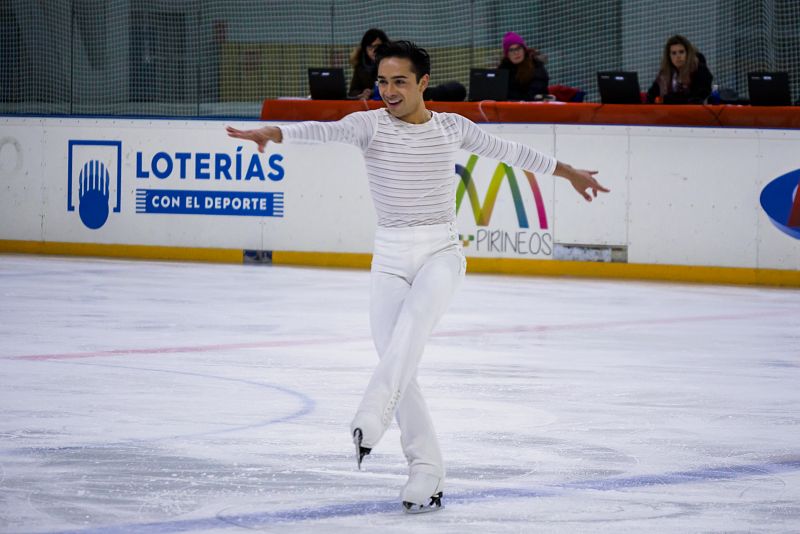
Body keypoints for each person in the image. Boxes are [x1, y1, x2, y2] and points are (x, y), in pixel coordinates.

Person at [226, 40, 608, 513]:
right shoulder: (369, 125)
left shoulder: (452, 128)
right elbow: (320, 132)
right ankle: (426, 469)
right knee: (398, 359)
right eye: (382, 81)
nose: (388, 90)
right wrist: (273, 132)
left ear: (423, 83)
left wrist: (568, 171)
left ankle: (371, 414)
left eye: (399, 81)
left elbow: (511, 151)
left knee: (410, 331)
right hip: (388, 258)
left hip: (441, 254)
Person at [646, 34, 713, 104]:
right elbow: (651, 97)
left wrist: (666, 99)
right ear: (669, 56)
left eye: (681, 52)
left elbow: (696, 98)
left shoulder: (700, 71)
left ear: (688, 53)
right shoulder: (664, 74)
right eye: (674, 53)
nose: (678, 56)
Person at [497, 31, 550, 101]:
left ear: (524, 50)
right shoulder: (503, 70)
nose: (516, 53)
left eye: (518, 48)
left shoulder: (536, 66)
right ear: (507, 55)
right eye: (511, 50)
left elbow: (534, 94)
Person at [349, 28, 388, 100]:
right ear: (365, 49)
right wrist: (362, 93)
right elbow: (352, 92)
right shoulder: (360, 66)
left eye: (377, 46)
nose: (374, 50)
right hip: (368, 107)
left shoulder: (393, 64)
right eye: (370, 47)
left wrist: (374, 92)